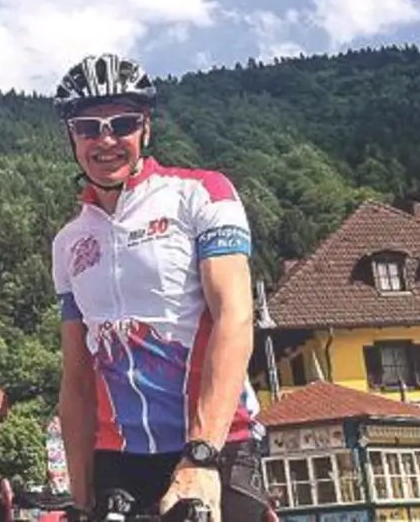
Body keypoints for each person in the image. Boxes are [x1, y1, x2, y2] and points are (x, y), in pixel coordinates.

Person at [47, 54, 269, 522]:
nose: (105, 139)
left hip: (217, 444)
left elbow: (235, 317)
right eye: (88, 127)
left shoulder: (202, 194)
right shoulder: (69, 241)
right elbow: (77, 378)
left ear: (145, 128)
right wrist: (78, 499)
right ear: (72, 135)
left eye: (121, 123)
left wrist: (202, 454)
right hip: (119, 459)